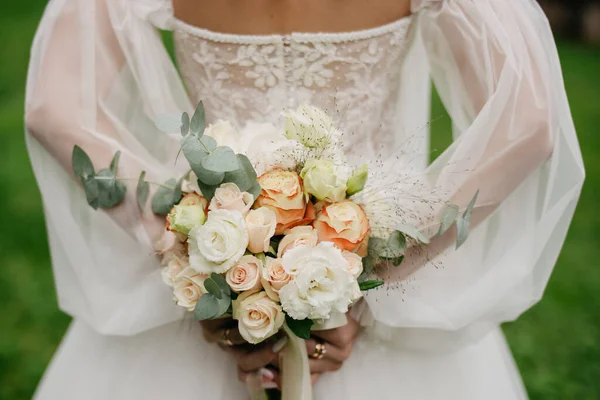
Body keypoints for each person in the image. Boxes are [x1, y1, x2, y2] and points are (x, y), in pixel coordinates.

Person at [24, 0, 584, 399]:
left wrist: (191, 249)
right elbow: (527, 124)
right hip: (364, 295)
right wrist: (370, 277)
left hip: (210, 273)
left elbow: (55, 110)